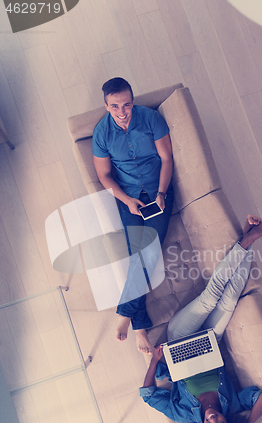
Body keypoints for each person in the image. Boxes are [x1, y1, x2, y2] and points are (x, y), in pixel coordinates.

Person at [140, 216, 262, 423]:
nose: (213, 419)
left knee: (210, 298)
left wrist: (155, 361)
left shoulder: (182, 413)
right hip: (210, 340)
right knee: (230, 299)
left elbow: (148, 395)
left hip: (180, 339)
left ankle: (247, 240)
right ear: (228, 422)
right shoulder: (232, 405)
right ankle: (247, 242)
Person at [92, 77, 174, 354]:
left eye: (126, 104)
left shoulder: (151, 120)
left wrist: (162, 193)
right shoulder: (102, 134)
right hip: (129, 198)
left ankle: (128, 317)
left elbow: (166, 159)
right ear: (106, 105)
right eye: (115, 106)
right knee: (139, 256)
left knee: (148, 253)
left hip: (157, 192)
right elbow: (104, 175)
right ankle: (139, 327)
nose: (122, 111)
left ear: (133, 100)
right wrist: (126, 200)